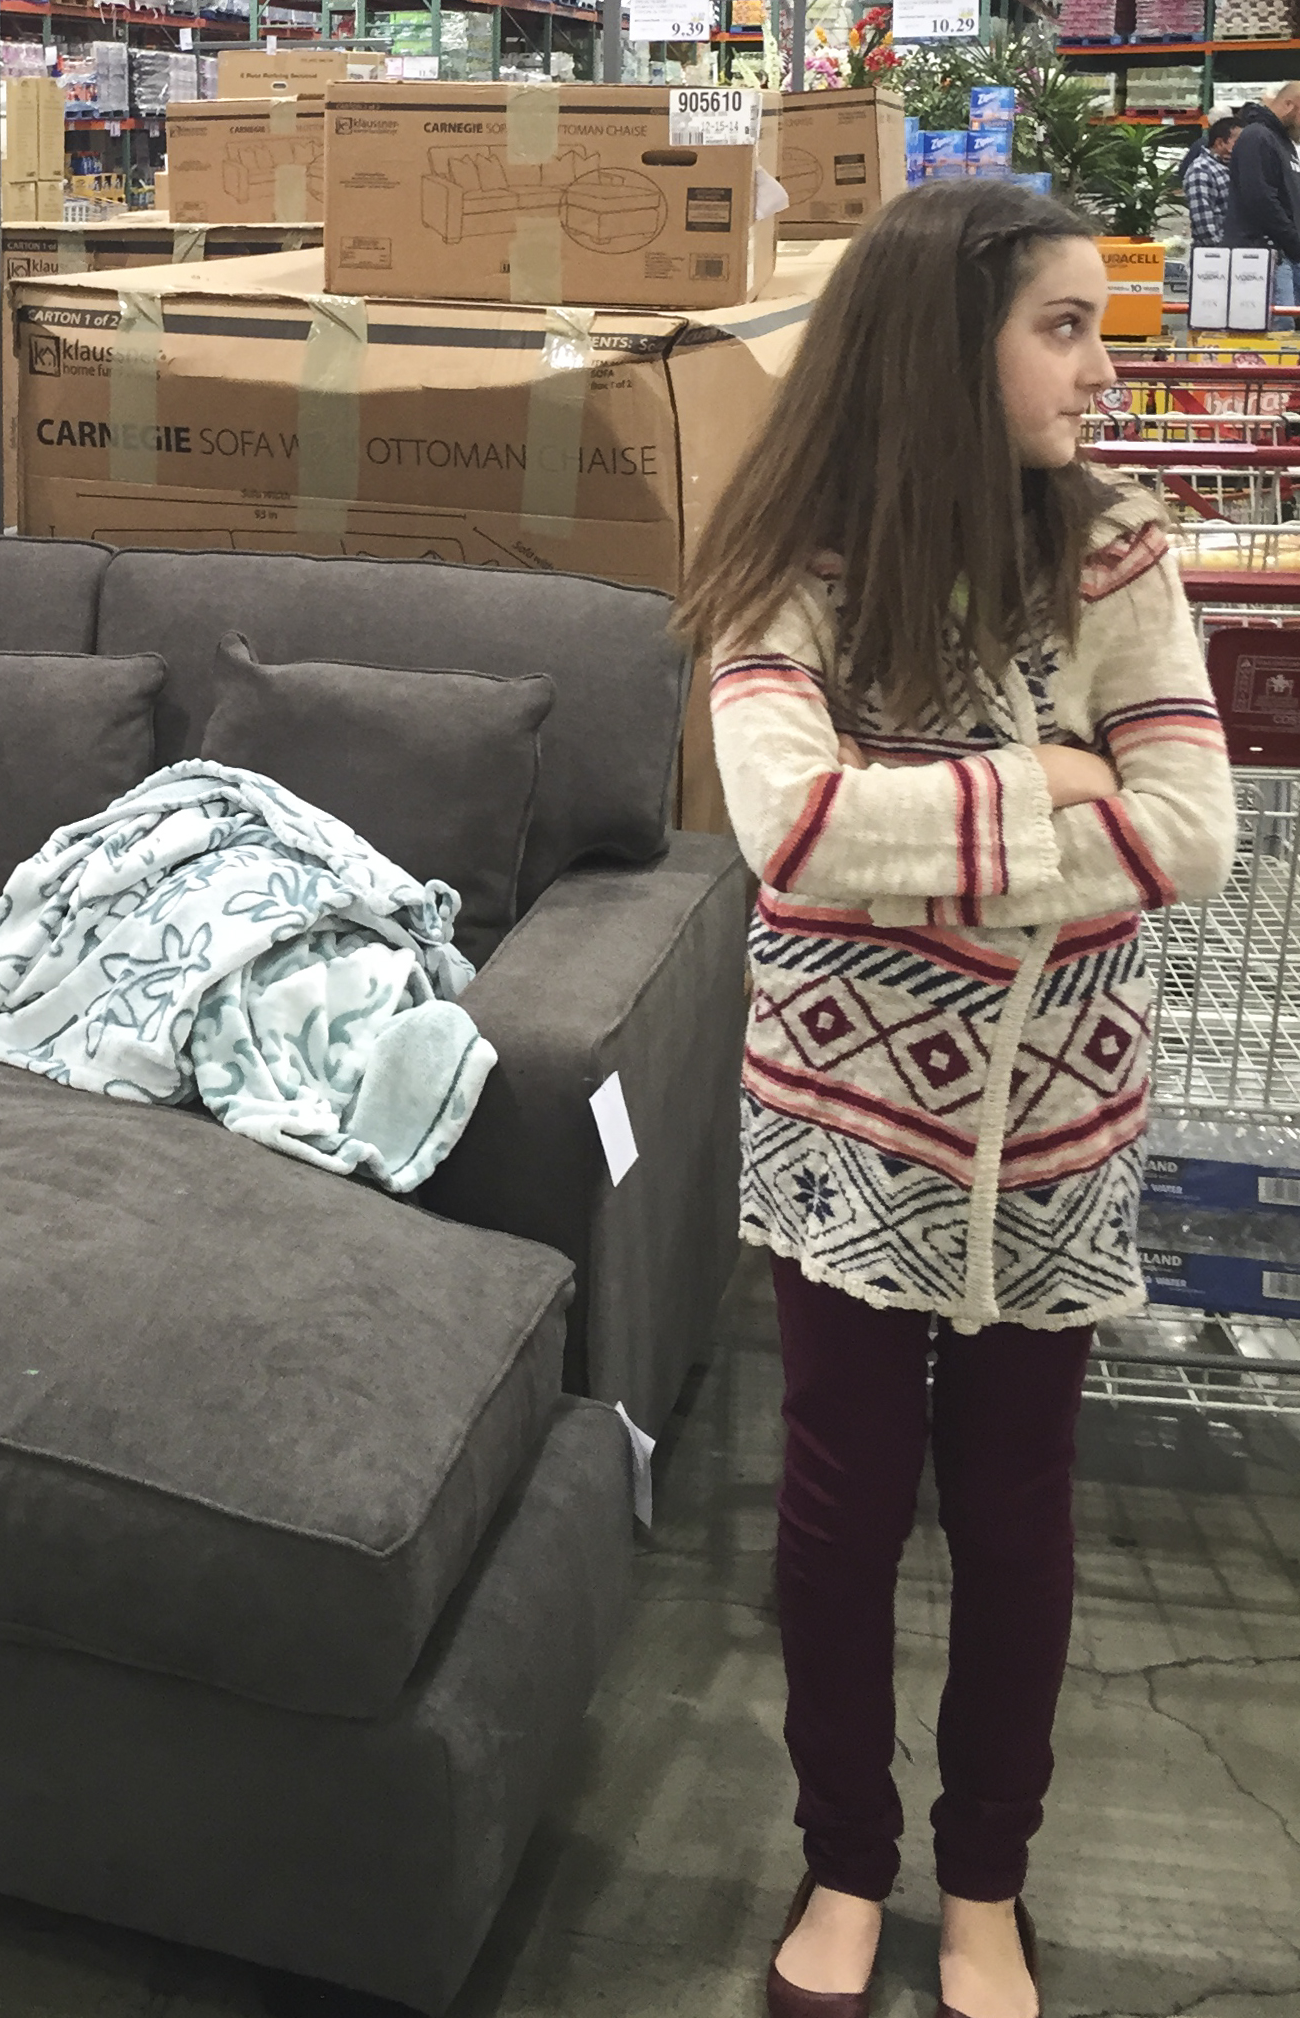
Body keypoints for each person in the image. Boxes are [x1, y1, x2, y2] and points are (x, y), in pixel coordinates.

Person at [675, 183, 1233, 2018]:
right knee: (836, 1510)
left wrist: (922, 825)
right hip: (840, 1126)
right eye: (1062, 327)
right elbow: (790, 827)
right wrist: (1050, 782)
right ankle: (844, 1860)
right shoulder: (787, 561)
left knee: (1014, 1513)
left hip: (1057, 1128)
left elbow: (1193, 833)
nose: (1102, 369)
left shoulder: (1116, 551)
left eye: (1098, 328)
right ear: (940, 346)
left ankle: (986, 1877)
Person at [1224, 83, 1300, 303]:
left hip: (1283, 254)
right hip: (1261, 254)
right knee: (1278, 320)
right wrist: (1293, 241)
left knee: (1287, 320)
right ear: (1289, 105)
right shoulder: (1257, 137)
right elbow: (1261, 199)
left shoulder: (1283, 144)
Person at [1178, 113, 1236, 248]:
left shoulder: (1227, 166)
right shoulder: (1202, 170)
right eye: (1238, 142)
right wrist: (1221, 251)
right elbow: (1203, 225)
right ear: (1220, 143)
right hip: (1216, 255)